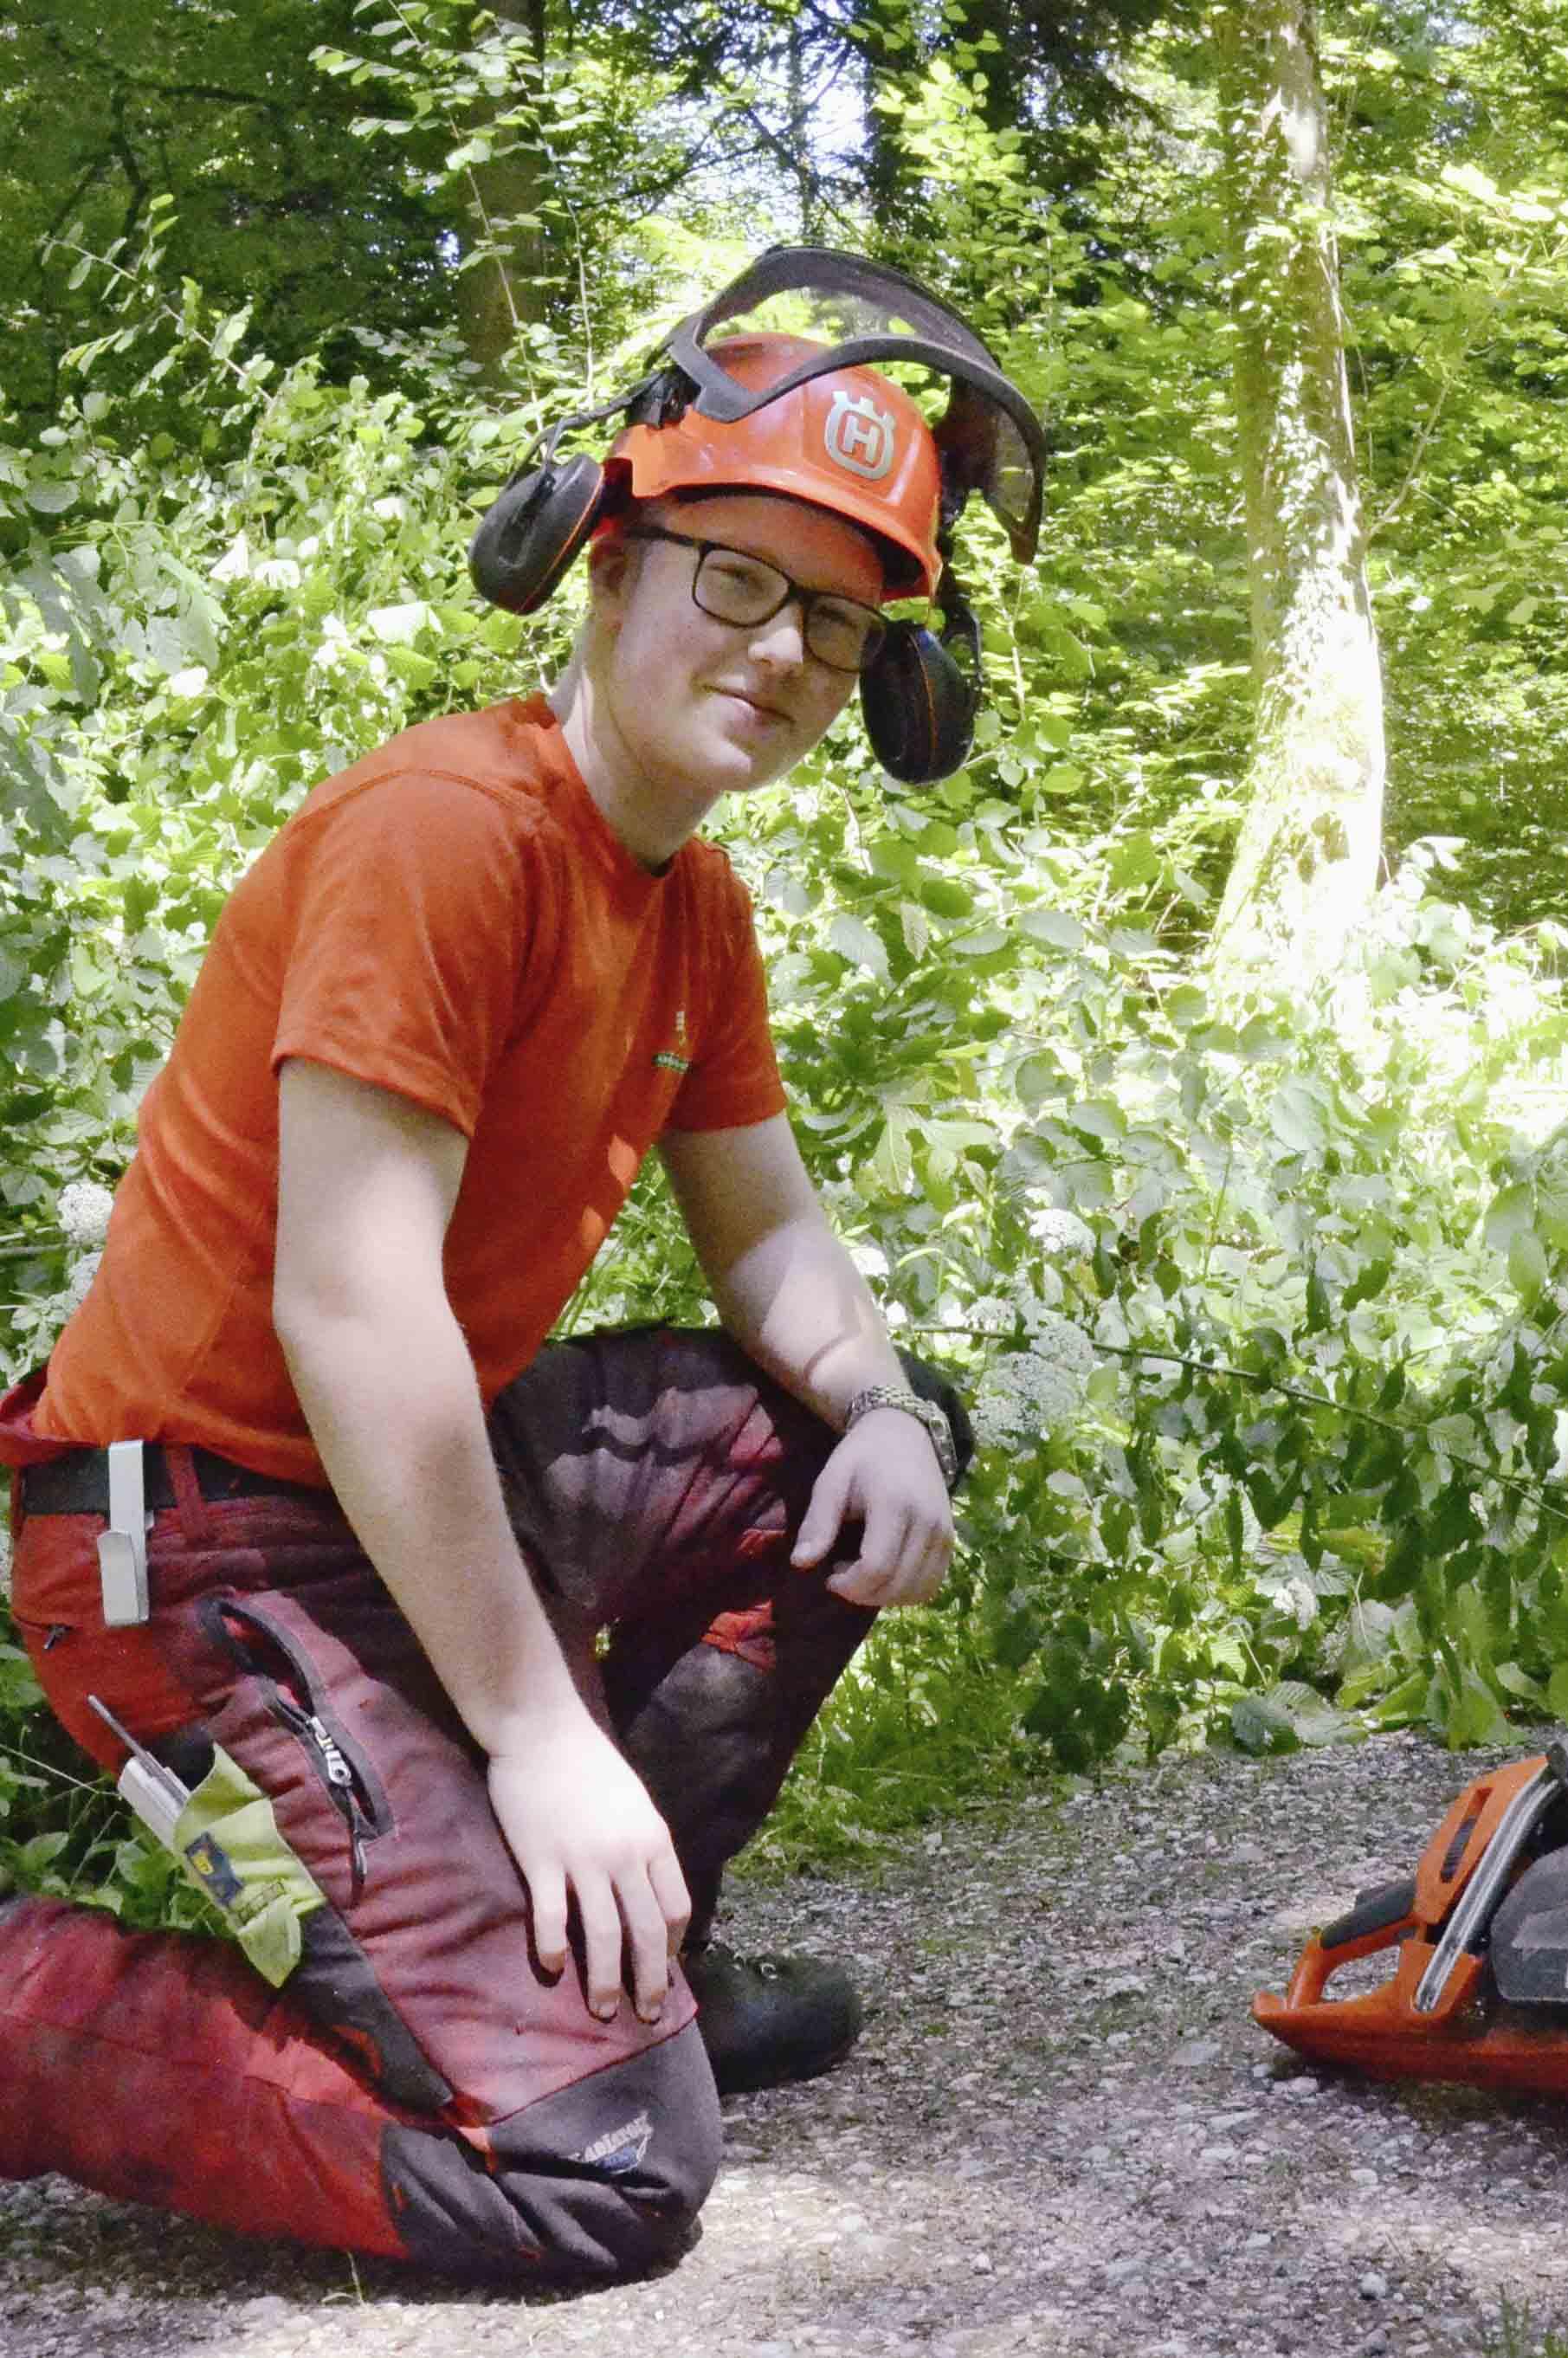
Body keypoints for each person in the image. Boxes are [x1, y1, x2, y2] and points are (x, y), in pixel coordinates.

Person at [0, 250, 1039, 2280]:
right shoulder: (446, 837)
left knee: (817, 1447)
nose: (780, 648)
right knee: (594, 2181)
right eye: (733, 579)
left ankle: (629, 1955)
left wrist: (892, 1411)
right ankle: (36, 2026)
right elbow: (351, 1305)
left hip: (374, 1485)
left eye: (832, 619)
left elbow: (777, 1245)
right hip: (185, 1547)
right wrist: (542, 1740)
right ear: (602, 568)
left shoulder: (688, 901)